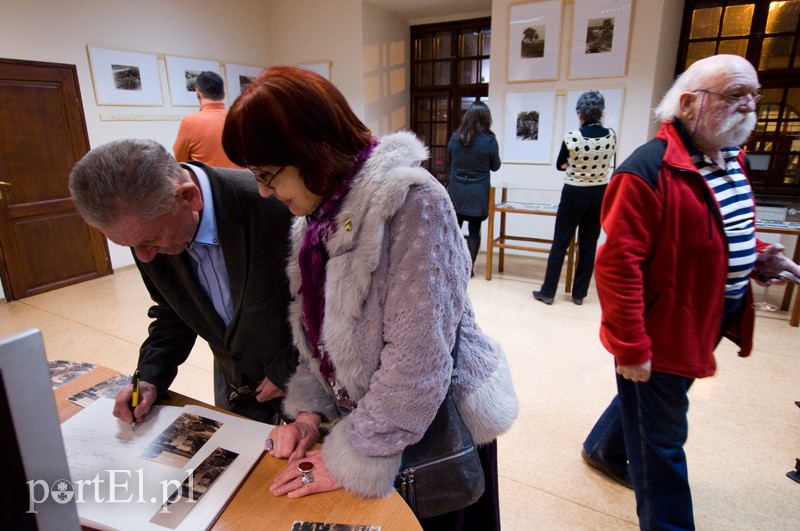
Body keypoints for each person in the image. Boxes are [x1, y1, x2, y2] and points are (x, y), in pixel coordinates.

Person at [222, 66, 518, 530]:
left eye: (268, 174)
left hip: (434, 428)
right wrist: (308, 414)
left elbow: (418, 362)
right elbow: (319, 341)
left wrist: (351, 455)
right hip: (374, 423)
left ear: (309, 150)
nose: (263, 191)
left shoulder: (415, 203)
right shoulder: (315, 217)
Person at [580, 54, 800, 529]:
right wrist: (631, 347)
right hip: (665, 327)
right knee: (662, 444)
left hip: (709, 312)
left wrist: (756, 255)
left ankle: (603, 449)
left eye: (753, 96)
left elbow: (715, 226)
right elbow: (618, 267)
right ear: (689, 103)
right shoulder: (646, 171)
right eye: (734, 96)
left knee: (652, 397)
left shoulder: (728, 156)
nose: (749, 107)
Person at [68, 139, 298, 424]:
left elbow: (330, 306)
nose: (145, 257)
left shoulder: (273, 204)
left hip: (304, 383)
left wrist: (291, 367)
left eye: (150, 241)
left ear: (189, 197)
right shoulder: (146, 227)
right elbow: (171, 311)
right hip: (236, 386)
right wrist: (150, 379)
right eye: (130, 246)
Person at [533, 90, 616, 305]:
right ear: (600, 112)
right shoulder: (611, 136)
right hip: (599, 193)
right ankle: (579, 294)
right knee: (589, 245)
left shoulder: (573, 137)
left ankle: (548, 291)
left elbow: (561, 165)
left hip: (574, 192)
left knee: (560, 243)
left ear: (580, 113)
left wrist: (575, 164)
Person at [446, 101, 501, 277]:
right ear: (486, 119)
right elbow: (495, 166)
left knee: (454, 230)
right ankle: (468, 268)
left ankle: (451, 264)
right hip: (477, 194)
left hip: (457, 193)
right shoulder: (489, 141)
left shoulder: (455, 137)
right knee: (474, 231)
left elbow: (450, 159)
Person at [173, 71, 241, 169]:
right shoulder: (238, 118)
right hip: (243, 182)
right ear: (223, 95)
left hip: (211, 183)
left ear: (198, 93)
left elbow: (180, 160)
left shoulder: (189, 122)